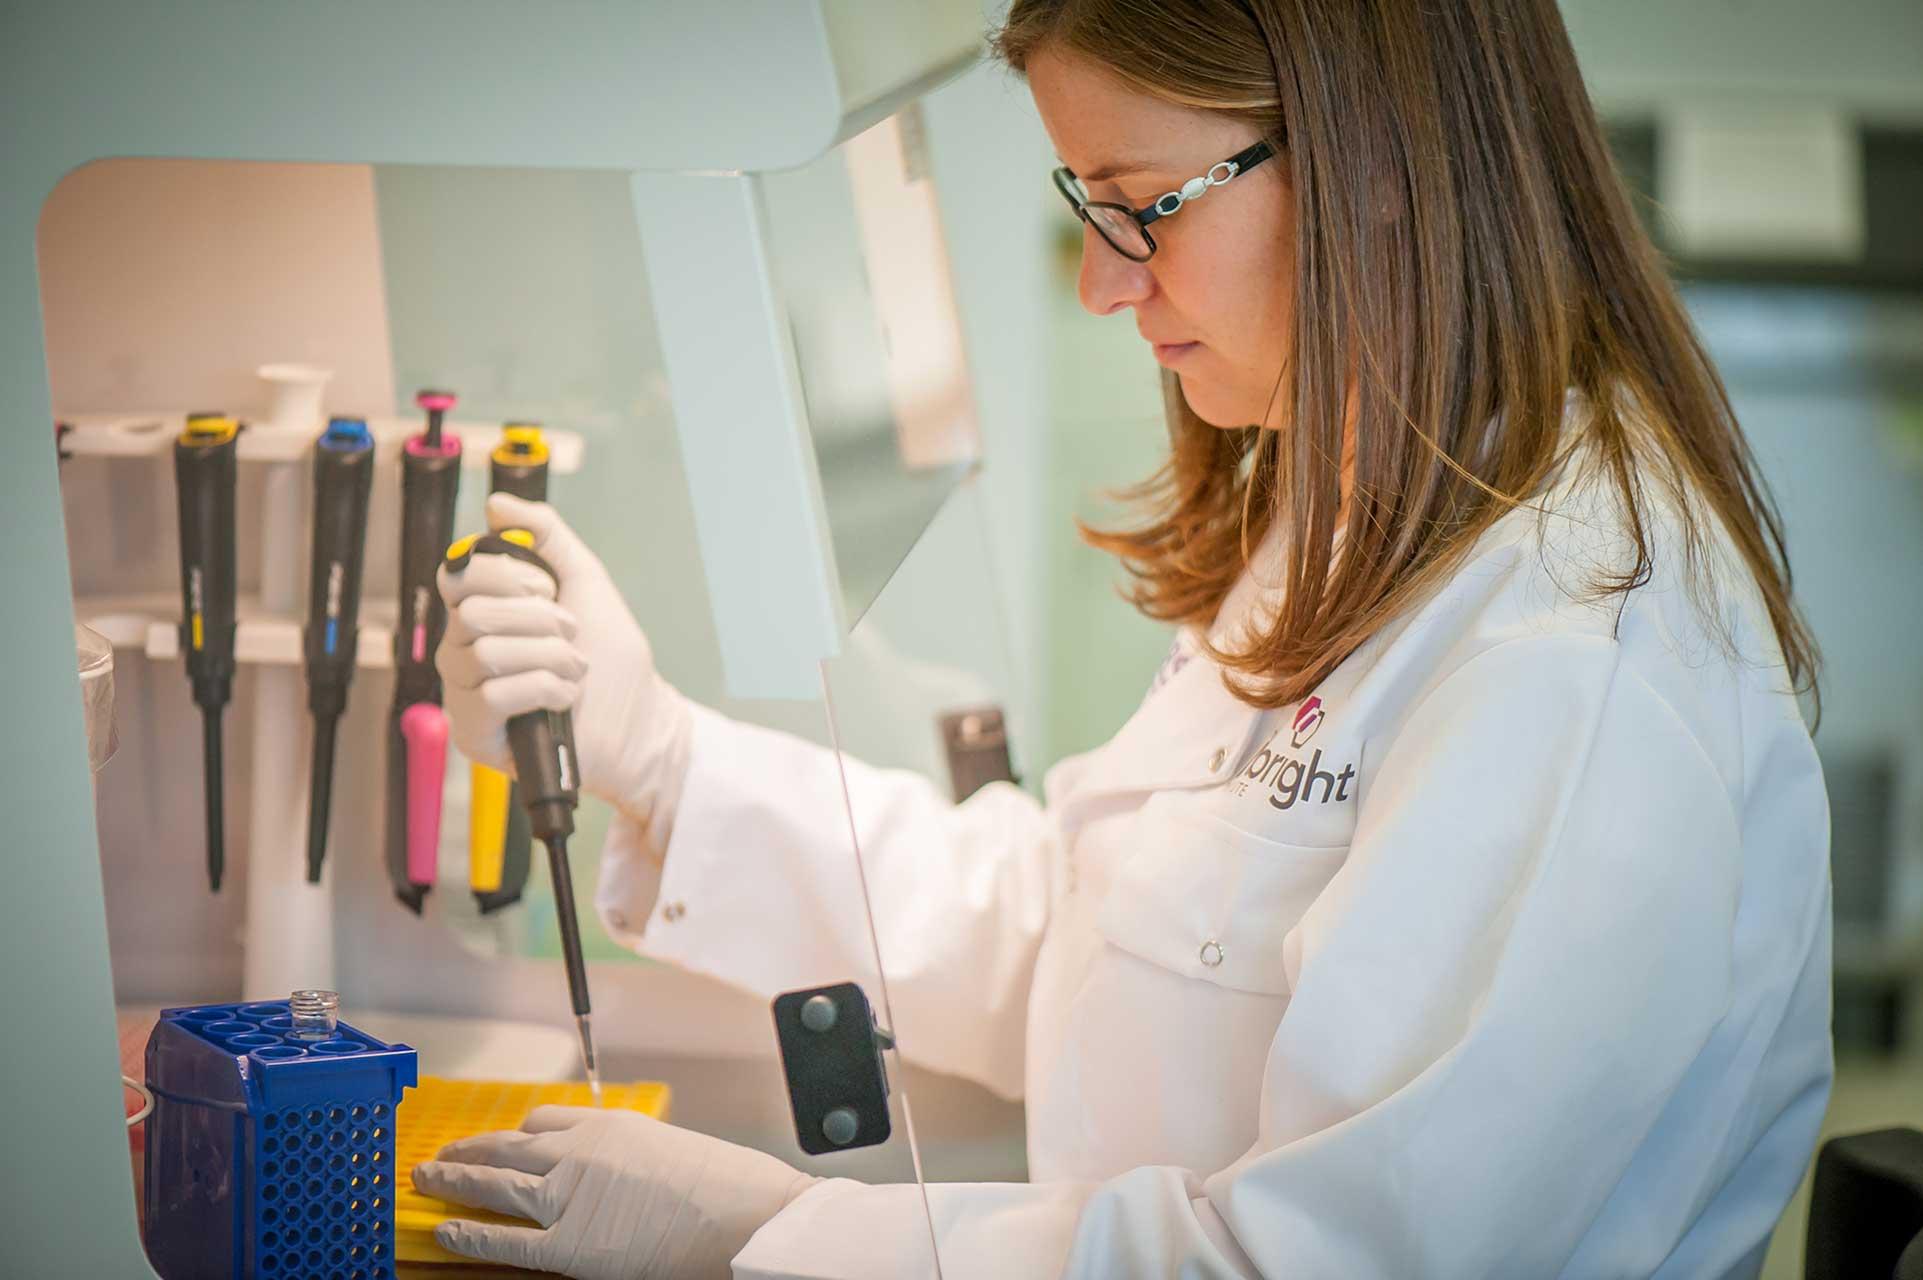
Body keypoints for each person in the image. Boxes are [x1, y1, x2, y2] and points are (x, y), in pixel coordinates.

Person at [415, 1, 1833, 1276]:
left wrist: (768, 1236)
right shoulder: (1376, 482)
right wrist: (658, 755)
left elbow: (1314, 1267)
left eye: (1144, 202)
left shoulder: (1574, 658)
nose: (1102, 284)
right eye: (1086, 204)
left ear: (1379, 165)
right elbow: (1111, 936)